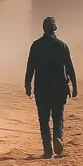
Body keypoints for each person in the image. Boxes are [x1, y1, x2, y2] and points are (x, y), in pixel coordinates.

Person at [24, 16, 78, 158]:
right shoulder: (62, 46)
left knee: (44, 120)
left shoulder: (36, 45)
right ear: (55, 28)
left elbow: (30, 67)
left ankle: (48, 151)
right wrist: (75, 86)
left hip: (42, 90)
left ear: (43, 28)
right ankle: (57, 137)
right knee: (58, 117)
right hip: (59, 89)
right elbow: (70, 68)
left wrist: (27, 85)